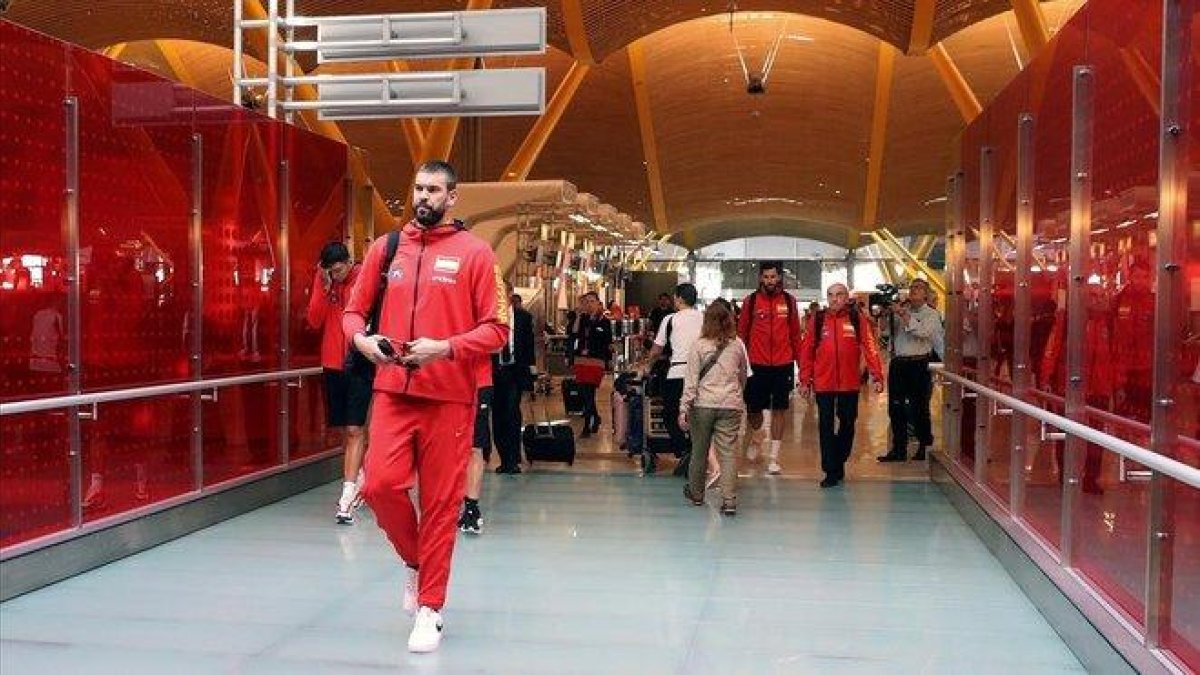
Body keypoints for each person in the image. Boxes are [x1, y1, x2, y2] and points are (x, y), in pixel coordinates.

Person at [344, 160, 509, 653]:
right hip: (392, 389)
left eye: (435, 190)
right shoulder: (386, 248)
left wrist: (447, 347)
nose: (424, 196)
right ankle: (417, 564)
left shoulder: (477, 254)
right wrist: (361, 341)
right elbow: (353, 311)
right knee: (379, 485)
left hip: (451, 397)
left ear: (452, 198)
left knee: (441, 505)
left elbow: (498, 330)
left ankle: (431, 608)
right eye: (418, 187)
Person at [306, 241, 368, 524]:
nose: (336, 274)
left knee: (356, 428)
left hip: (360, 362)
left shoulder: (364, 278)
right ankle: (360, 476)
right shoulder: (326, 282)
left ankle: (347, 494)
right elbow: (314, 320)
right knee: (347, 429)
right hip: (332, 363)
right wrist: (323, 286)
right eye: (331, 271)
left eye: (339, 269)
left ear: (349, 262)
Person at [798, 284, 885, 488]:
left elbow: (869, 346)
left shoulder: (857, 319)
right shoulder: (817, 320)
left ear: (847, 297)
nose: (834, 299)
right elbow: (807, 351)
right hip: (823, 383)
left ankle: (838, 459)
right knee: (825, 426)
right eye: (830, 295)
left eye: (839, 295)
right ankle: (830, 470)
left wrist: (877, 375)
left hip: (849, 383)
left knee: (847, 424)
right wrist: (804, 380)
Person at [679, 300, 749, 515]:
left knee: (699, 451)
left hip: (703, 405)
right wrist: (737, 395)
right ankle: (729, 501)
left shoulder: (699, 345)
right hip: (730, 405)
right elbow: (743, 375)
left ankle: (697, 493)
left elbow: (690, 380)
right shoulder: (737, 344)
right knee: (727, 453)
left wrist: (684, 408)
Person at [737, 261, 803, 474]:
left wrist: (802, 367)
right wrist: (739, 364)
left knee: (779, 410)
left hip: (783, 364)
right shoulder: (751, 301)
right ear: (760, 278)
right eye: (766, 277)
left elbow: (795, 335)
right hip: (756, 364)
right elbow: (742, 334)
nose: (770, 281)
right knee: (753, 410)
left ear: (779, 278)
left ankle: (774, 458)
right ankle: (758, 434)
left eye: (773, 277)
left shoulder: (790, 302)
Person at [878, 279, 944, 462]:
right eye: (912, 287)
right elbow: (884, 334)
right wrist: (885, 314)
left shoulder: (931, 314)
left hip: (919, 364)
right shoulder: (900, 311)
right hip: (899, 363)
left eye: (919, 288)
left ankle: (924, 445)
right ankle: (898, 448)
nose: (914, 290)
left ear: (926, 294)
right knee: (895, 407)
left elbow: (922, 332)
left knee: (919, 408)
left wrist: (903, 314)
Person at [645, 283, 703, 474]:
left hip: (677, 374)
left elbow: (656, 349)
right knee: (697, 417)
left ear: (678, 298)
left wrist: (646, 366)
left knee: (670, 415)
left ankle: (683, 449)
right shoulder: (704, 318)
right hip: (700, 375)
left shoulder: (670, 319)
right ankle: (696, 451)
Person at [492, 292, 536, 474]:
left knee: (512, 412)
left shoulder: (523, 317)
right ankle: (503, 458)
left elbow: (529, 346)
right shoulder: (489, 317)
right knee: (497, 416)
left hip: (514, 372)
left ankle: (514, 458)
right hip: (495, 372)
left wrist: (531, 375)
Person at [570, 292, 612, 437]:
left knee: (589, 391)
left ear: (598, 303)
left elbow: (607, 340)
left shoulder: (604, 320)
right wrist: (578, 316)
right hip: (581, 359)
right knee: (585, 392)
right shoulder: (583, 319)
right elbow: (574, 332)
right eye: (586, 301)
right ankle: (595, 417)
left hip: (596, 360)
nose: (589, 304)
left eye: (592, 301)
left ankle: (588, 424)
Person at [459, 360, 494, 535]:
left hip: (478, 381)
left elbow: (495, 342)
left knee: (475, 446)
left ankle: (471, 507)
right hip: (442, 380)